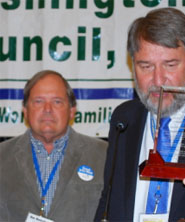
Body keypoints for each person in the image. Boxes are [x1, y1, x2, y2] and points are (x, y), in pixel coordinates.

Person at [94, 8, 185, 221]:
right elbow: (109, 199)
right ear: (132, 66)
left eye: (170, 65)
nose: (158, 80)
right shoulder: (125, 117)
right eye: (146, 66)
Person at [0, 70, 107, 221]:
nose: (48, 109)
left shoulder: (104, 155)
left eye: (57, 101)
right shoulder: (2, 157)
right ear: (25, 110)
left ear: (71, 111)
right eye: (38, 101)